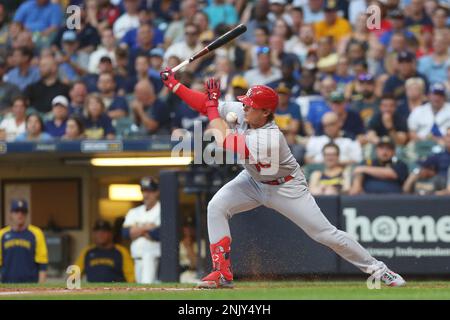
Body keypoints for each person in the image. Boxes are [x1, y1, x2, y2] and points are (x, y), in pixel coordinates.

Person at [160, 67, 406, 289]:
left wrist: (213, 107)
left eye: (250, 105)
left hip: (286, 187)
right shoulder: (244, 114)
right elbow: (204, 104)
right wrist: (175, 85)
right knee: (216, 206)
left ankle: (379, 270)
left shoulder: (270, 137)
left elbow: (223, 140)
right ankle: (222, 273)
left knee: (325, 234)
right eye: (245, 103)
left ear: (266, 112)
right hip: (253, 180)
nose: (244, 107)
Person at [122, 177, 161, 284]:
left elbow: (158, 234)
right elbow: (125, 233)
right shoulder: (134, 212)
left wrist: (137, 229)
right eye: (144, 191)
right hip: (137, 258)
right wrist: (146, 227)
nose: (146, 195)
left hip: (154, 259)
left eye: (149, 191)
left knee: (149, 289)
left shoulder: (162, 210)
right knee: (141, 289)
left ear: (156, 192)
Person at [0, 199, 48, 283]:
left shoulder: (36, 233)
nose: (20, 214)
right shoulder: (2, 234)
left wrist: (41, 287)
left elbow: (42, 263)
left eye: (23, 212)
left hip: (31, 284)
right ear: (10, 214)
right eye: (16, 211)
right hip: (7, 284)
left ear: (26, 214)